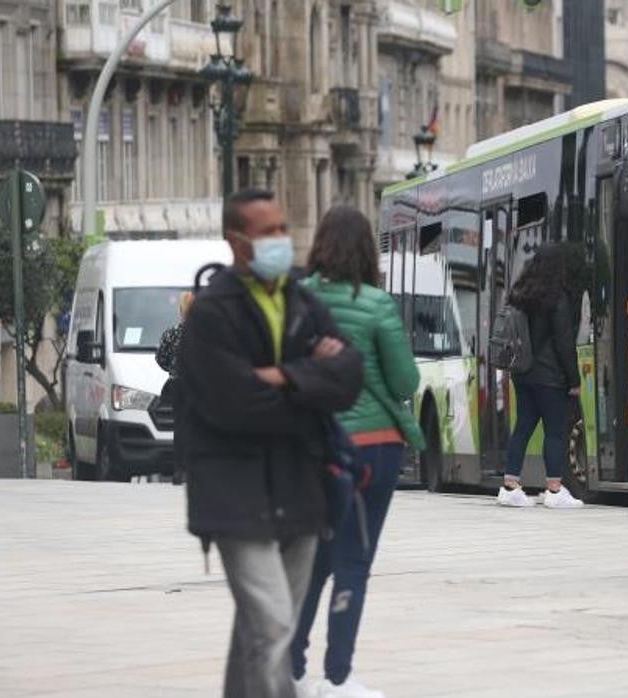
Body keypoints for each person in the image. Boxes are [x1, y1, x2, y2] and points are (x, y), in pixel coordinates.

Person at [177, 189, 363, 698]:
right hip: (234, 495)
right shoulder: (214, 312)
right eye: (268, 232)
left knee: (259, 631)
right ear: (237, 243)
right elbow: (233, 403)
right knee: (275, 626)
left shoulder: (301, 299)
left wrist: (281, 377)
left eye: (284, 227)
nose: (282, 239)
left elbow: (349, 374)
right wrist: (309, 382)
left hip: (300, 488)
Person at [287, 205, 424, 698]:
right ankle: (338, 678)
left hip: (313, 445)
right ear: (369, 250)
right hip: (372, 448)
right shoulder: (376, 304)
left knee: (315, 559)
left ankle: (291, 665)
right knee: (353, 559)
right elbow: (406, 380)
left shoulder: (297, 302)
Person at [498, 242, 588, 508]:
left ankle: (510, 485)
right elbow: (563, 341)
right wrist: (573, 380)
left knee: (523, 427)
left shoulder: (520, 293)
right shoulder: (556, 297)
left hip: (522, 372)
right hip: (549, 377)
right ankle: (554, 489)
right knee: (555, 432)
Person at [156, 291, 193, 485]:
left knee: (179, 427)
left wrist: (172, 368)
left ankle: (179, 471)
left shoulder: (171, 333)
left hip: (178, 384)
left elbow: (160, 358)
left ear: (180, 310)